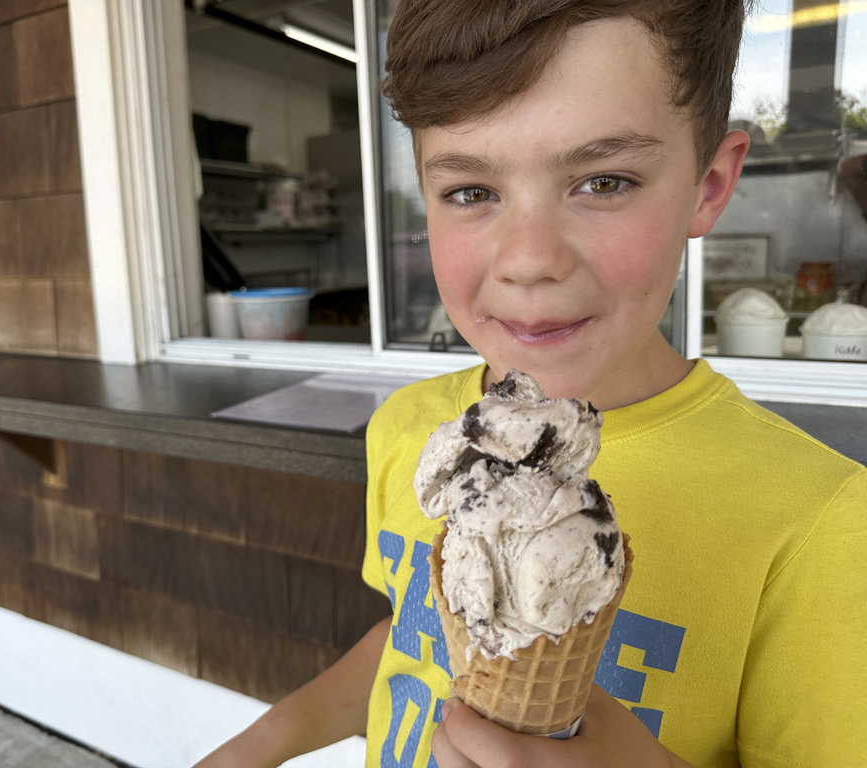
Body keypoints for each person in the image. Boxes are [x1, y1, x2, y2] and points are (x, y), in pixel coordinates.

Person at [194, 1, 867, 766]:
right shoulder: (411, 431)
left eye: (603, 181)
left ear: (708, 186)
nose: (528, 260)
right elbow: (410, 641)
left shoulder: (823, 524)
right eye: (472, 193)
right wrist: (261, 742)